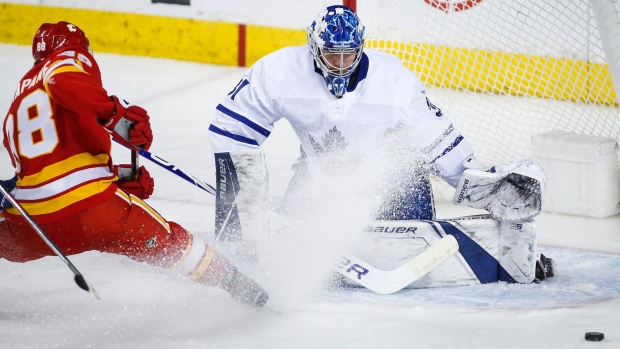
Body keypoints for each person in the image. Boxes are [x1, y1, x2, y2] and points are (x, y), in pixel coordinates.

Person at [207, 5, 554, 285]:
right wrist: (242, 208)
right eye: (332, 54)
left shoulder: (395, 82)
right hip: (319, 179)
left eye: (349, 54)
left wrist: (490, 192)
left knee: (408, 257)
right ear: (314, 46)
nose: (341, 64)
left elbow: (445, 149)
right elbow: (230, 131)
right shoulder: (278, 72)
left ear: (361, 47)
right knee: (288, 260)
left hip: (398, 184)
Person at [0, 21, 268, 306]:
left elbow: (48, 172)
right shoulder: (65, 60)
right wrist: (113, 113)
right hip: (97, 211)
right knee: (175, 244)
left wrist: (117, 175)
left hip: (32, 225)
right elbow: (63, 82)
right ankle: (242, 287)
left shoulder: (19, 97)